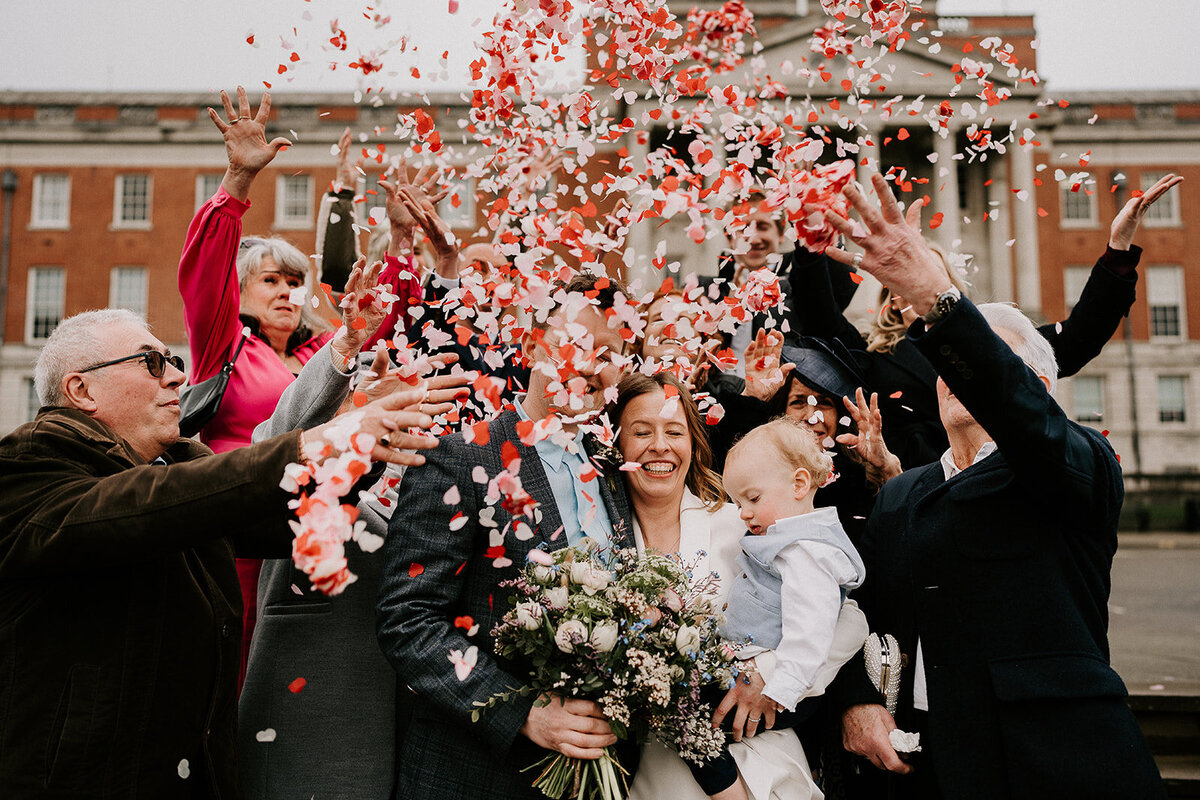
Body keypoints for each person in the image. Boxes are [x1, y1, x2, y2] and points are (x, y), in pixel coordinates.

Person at [0, 308, 443, 799]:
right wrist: (314, 442)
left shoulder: (183, 465)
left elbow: (292, 520)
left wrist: (359, 443)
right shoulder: (28, 466)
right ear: (81, 391)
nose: (177, 375)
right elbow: (140, 507)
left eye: (171, 359)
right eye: (151, 362)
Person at [824, 174, 1165, 799]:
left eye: (977, 365)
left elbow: (1015, 407)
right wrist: (854, 701)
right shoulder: (902, 494)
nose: (954, 376)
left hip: (1056, 766)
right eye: (945, 366)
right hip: (926, 769)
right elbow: (851, 611)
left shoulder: (1076, 464)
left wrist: (937, 298)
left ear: (1036, 388)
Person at [376, 273, 637, 799]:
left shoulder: (616, 470)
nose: (590, 362)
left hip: (596, 775)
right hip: (474, 775)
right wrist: (524, 711)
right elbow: (408, 618)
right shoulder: (459, 457)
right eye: (575, 343)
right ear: (529, 344)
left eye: (608, 351)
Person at [178, 87, 408, 682]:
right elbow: (204, 274)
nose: (286, 292)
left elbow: (374, 319)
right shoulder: (222, 347)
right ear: (242, 292)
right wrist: (236, 181)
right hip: (235, 527)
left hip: (308, 529)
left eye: (293, 281)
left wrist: (402, 241)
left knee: (286, 679)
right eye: (270, 281)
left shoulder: (314, 352)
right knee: (226, 669)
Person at [789, 171, 1184, 468]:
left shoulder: (998, 348)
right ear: (891, 303)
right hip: (908, 489)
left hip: (993, 480)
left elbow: (1079, 337)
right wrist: (810, 245)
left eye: (932, 283)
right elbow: (819, 320)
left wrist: (1117, 251)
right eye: (906, 286)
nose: (919, 291)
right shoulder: (870, 357)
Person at [613, 372, 869, 800]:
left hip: (756, 768)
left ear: (693, 445)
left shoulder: (745, 524)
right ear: (618, 444)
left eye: (674, 431)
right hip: (647, 777)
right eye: (641, 432)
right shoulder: (601, 537)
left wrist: (765, 677)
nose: (659, 445)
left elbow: (848, 619)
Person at [238, 342, 468, 799]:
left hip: (411, 738)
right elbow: (268, 456)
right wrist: (345, 366)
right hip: (312, 722)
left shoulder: (435, 464)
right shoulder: (308, 442)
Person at [685, 418, 865, 800]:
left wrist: (778, 688)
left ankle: (725, 788)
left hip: (783, 688)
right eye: (738, 503)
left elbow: (810, 632)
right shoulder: (787, 539)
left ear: (800, 484)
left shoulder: (806, 552)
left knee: (687, 721)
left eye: (752, 499)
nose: (744, 514)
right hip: (763, 675)